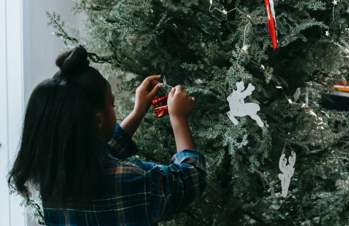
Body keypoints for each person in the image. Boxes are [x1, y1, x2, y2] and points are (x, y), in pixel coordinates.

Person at [8, 46, 206, 225]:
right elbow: (190, 180)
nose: (114, 109)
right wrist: (178, 118)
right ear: (98, 120)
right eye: (112, 104)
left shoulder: (53, 178)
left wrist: (138, 112)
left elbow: (103, 152)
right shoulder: (133, 180)